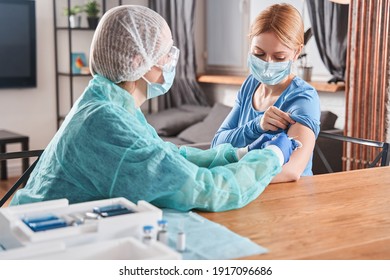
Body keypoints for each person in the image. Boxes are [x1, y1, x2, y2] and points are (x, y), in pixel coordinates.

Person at [10, 5, 298, 212]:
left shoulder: (108, 103)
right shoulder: (107, 122)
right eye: (166, 54)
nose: (172, 62)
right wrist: (270, 156)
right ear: (137, 61)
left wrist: (239, 154)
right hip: (42, 247)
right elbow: (206, 190)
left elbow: (167, 155)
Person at [212, 3, 321, 182]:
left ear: (296, 52)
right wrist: (257, 126)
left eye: (279, 57)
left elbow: (291, 170)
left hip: (287, 198)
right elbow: (217, 144)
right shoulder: (250, 84)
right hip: (246, 192)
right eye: (259, 53)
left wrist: (223, 177)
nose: (268, 63)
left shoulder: (303, 98)